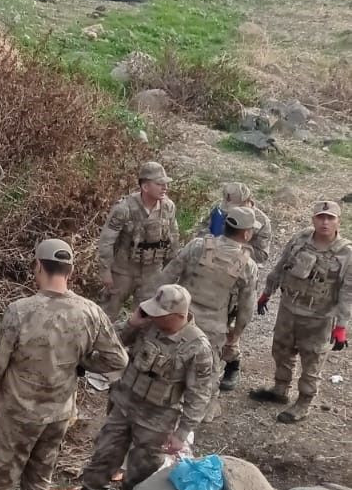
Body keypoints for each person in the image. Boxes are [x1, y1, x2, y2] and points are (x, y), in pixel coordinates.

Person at [0, 238, 128, 490]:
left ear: (39, 266)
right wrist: (82, 363)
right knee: (41, 473)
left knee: (2, 474)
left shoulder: (21, 311)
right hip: (58, 412)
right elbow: (118, 360)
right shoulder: (90, 312)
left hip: (18, 412)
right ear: (70, 270)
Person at [74, 284, 214, 490]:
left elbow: (199, 394)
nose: (153, 315)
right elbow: (110, 343)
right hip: (124, 405)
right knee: (103, 456)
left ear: (178, 315)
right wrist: (131, 324)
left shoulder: (197, 348)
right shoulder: (147, 325)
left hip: (156, 420)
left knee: (141, 471)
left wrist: (182, 432)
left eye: (160, 313)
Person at [252, 200, 352, 423]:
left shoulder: (346, 253)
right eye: (320, 217)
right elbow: (282, 265)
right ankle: (280, 389)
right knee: (281, 350)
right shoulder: (301, 239)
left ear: (338, 221)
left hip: (319, 318)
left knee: (312, 360)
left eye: (330, 218)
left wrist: (341, 327)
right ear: (313, 219)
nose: (325, 222)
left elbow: (347, 292)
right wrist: (267, 292)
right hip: (289, 309)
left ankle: (304, 401)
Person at [158, 206, 258, 411]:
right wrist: (236, 334)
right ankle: (205, 409)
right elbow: (247, 307)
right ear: (247, 233)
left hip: (180, 318)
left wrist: (160, 308)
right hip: (214, 326)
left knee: (168, 359)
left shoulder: (197, 245)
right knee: (208, 371)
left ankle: (162, 401)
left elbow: (168, 274)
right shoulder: (247, 265)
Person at [96, 161, 179, 318]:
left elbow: (173, 237)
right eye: (159, 184)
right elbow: (107, 241)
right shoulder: (124, 209)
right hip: (123, 270)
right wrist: (105, 271)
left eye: (165, 184)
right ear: (145, 187)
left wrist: (170, 268)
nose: (165, 188)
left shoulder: (168, 207)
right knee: (108, 311)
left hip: (152, 272)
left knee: (145, 315)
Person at [196, 181, 272, 266]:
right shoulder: (219, 210)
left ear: (247, 201)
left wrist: (232, 248)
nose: (228, 211)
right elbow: (202, 231)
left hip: (238, 266)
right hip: (209, 258)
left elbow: (261, 255)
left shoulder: (262, 222)